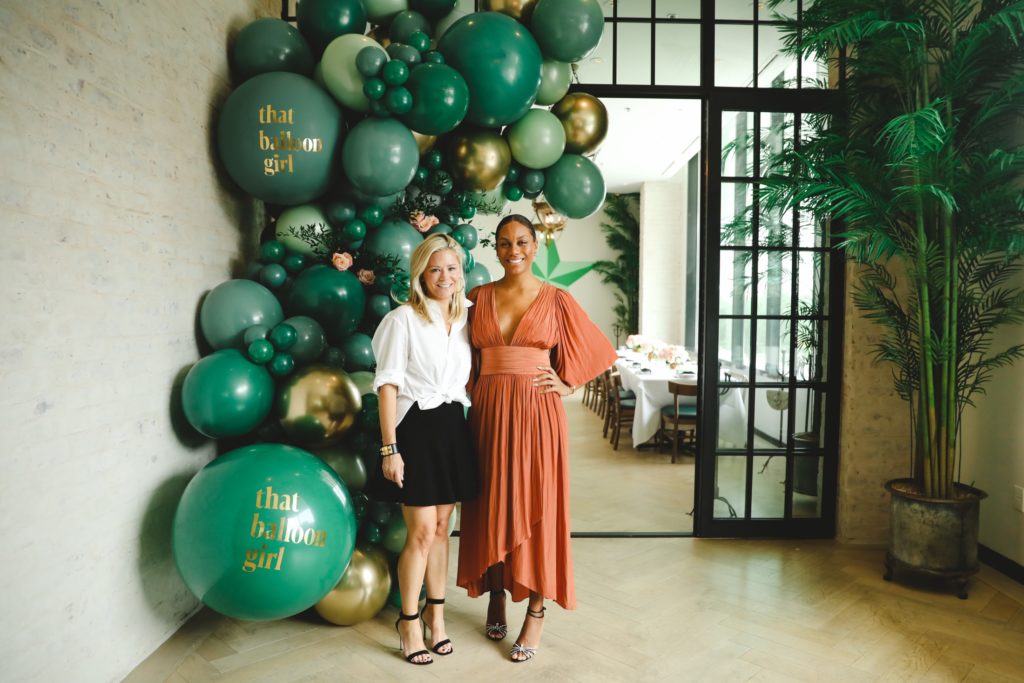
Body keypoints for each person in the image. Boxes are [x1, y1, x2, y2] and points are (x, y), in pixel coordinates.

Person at [456, 214, 617, 662]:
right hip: (487, 413)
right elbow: (459, 356)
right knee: (488, 501)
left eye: (522, 241)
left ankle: (537, 609)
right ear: (495, 246)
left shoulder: (556, 299)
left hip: (537, 414)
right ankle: (495, 591)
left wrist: (569, 385)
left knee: (538, 504)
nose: (514, 250)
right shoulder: (477, 297)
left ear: (535, 244)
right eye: (505, 242)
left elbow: (598, 350)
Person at [371, 233, 479, 666]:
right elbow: (388, 385)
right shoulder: (403, 320)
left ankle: (438, 620)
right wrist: (389, 449)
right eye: (435, 269)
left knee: (441, 530)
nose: (444, 277)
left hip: (453, 426)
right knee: (419, 532)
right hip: (415, 427)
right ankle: (409, 622)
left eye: (452, 268)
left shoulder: (468, 318)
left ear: (461, 273)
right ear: (420, 274)